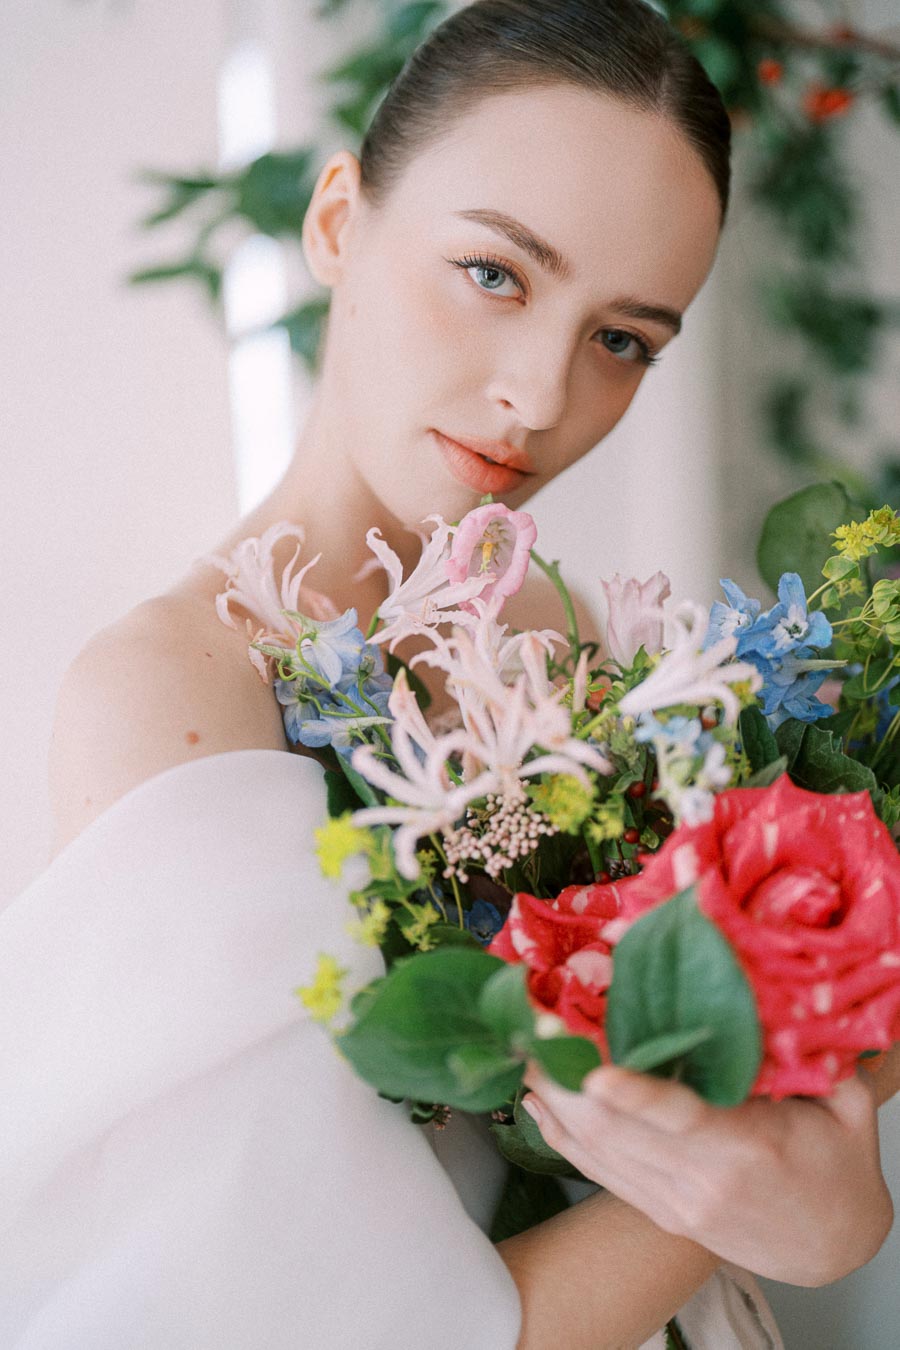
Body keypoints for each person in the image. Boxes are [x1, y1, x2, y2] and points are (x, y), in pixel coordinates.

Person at [3, 1, 896, 1346]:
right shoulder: (173, 690)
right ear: (337, 223)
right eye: (494, 272)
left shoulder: (545, 615)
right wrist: (795, 1200)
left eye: (622, 341)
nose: (538, 395)